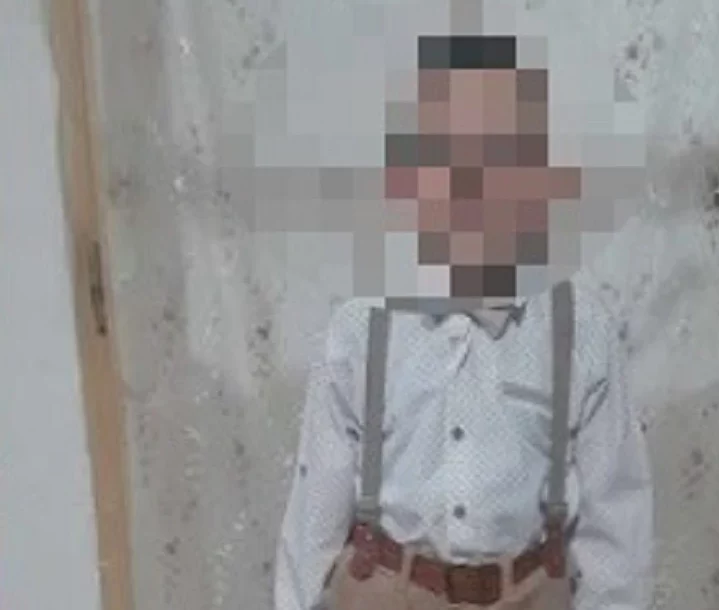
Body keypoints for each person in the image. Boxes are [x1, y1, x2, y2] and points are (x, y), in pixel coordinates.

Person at [275, 34, 654, 610]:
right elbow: (314, 512)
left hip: (530, 590)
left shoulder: (580, 328)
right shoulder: (360, 327)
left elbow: (617, 524)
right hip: (387, 589)